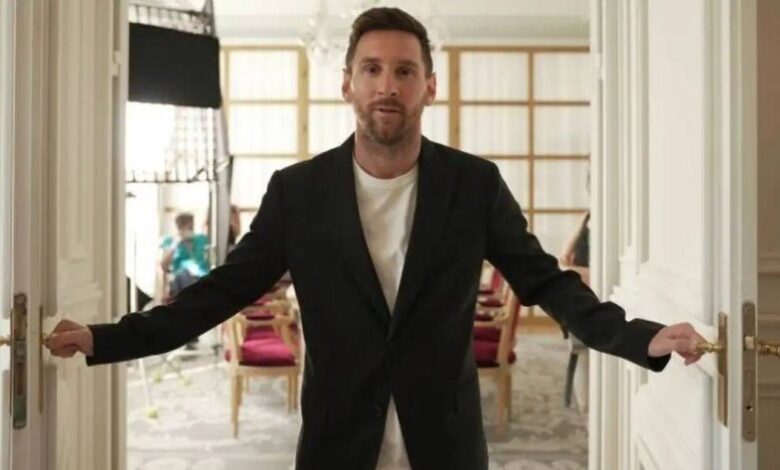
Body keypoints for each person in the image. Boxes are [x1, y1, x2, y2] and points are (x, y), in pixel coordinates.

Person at [46, 7, 706, 470]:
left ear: (429, 86)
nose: (388, 85)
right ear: (348, 84)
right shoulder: (297, 192)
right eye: (372, 69)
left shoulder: (474, 185)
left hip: (446, 444)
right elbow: (220, 292)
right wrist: (107, 338)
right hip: (337, 443)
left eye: (405, 71)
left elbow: (545, 281)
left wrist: (637, 337)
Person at [160, 211, 210, 298]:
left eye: (192, 227)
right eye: (189, 227)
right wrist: (176, 243)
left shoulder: (201, 239)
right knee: (185, 274)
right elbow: (164, 265)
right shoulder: (170, 241)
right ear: (179, 228)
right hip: (182, 280)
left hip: (202, 277)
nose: (191, 230)